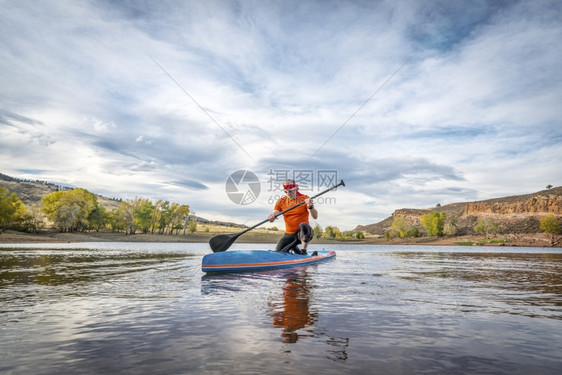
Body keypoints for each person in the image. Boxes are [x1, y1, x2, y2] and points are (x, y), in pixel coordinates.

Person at [268, 179, 318, 254]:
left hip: (304, 233)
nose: (288, 193)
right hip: (289, 234)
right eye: (286, 191)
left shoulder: (304, 198)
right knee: (278, 252)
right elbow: (275, 213)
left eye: (291, 191)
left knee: (303, 225)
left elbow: (315, 216)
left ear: (296, 189)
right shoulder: (281, 201)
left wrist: (311, 207)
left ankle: (303, 250)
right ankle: (295, 249)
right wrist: (271, 217)